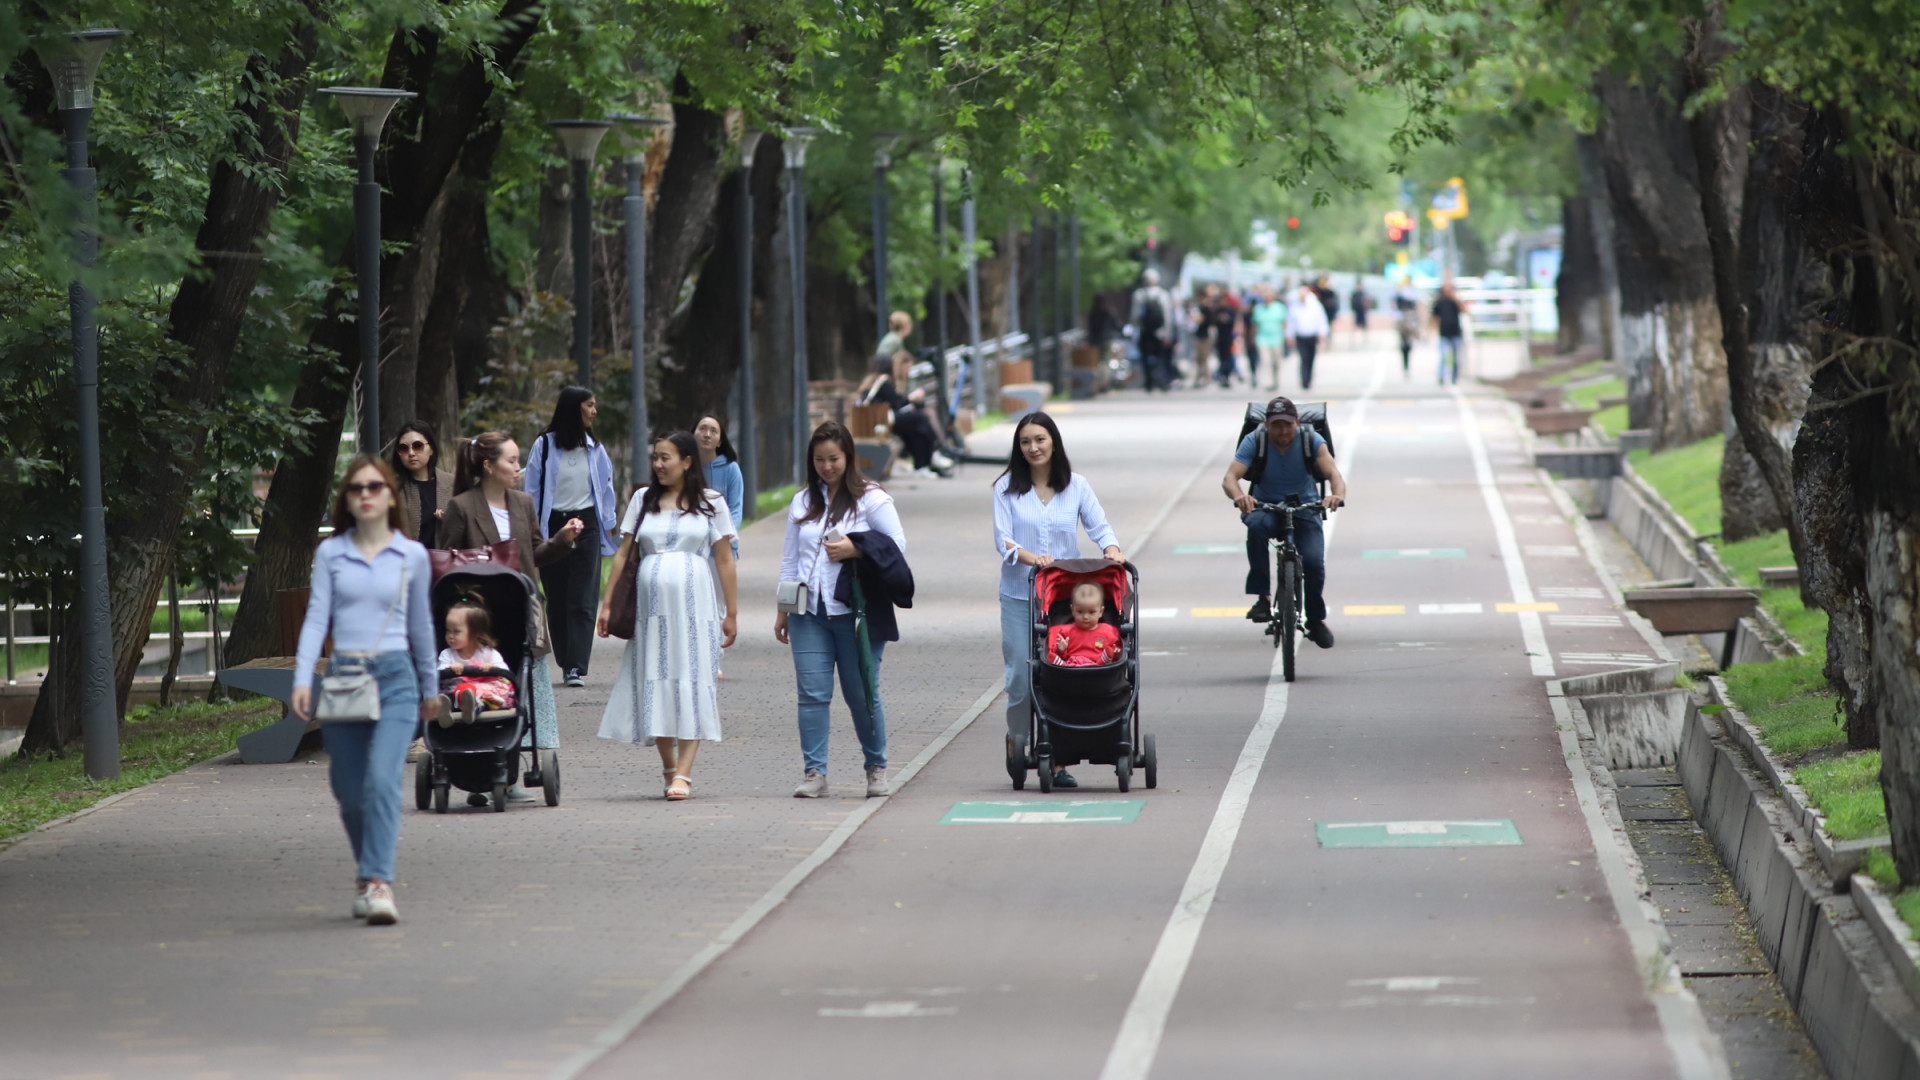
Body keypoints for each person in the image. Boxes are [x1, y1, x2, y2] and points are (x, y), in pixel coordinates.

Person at [289, 454, 436, 927]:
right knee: (349, 791)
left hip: (395, 679)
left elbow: (421, 628)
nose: (367, 495)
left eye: (376, 487)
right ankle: (365, 872)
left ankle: (378, 881)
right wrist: (302, 677)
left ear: (390, 495)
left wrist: (431, 687)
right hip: (345, 678)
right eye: (357, 489)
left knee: (381, 780)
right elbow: (317, 617)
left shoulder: (410, 555)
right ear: (347, 501)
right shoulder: (332, 553)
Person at [439, 431, 583, 804]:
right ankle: (476, 772)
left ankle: (509, 772)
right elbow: (447, 564)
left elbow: (535, 553)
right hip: (479, 619)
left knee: (520, 690)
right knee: (478, 688)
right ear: (488, 466)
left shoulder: (523, 503)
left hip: (520, 612)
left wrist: (563, 539)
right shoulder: (461, 506)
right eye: (511, 461)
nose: (518, 467)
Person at [595, 432, 739, 801]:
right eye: (655, 457)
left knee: (693, 681)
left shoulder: (711, 503)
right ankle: (668, 766)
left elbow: (723, 558)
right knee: (655, 680)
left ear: (688, 461)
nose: (659, 464)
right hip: (651, 616)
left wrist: (732, 613)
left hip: (697, 612)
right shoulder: (644, 499)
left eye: (666, 457)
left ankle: (684, 774)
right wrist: (607, 603)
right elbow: (624, 553)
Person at [992, 411, 1124, 789]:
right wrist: (1035, 559)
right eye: (1025, 442)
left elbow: (1099, 526)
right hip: (1020, 594)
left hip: (1063, 601)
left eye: (1040, 440)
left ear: (1054, 443)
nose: (1033, 448)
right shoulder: (1005, 489)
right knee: (1020, 676)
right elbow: (1003, 541)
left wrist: (1112, 549)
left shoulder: (1076, 486)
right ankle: (1018, 741)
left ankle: (1058, 754)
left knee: (1061, 674)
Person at [776, 421, 906, 799]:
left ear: (848, 457)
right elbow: (790, 560)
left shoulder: (871, 498)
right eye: (819, 459)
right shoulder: (803, 500)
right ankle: (815, 772)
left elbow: (897, 545)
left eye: (834, 458)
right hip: (808, 613)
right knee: (812, 693)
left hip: (857, 615)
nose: (827, 467)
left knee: (862, 692)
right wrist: (783, 609)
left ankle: (876, 767)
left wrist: (857, 549)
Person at [1222, 396, 1348, 649]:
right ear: (1267, 424)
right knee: (1255, 527)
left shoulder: (1311, 440)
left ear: (1297, 423)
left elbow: (1334, 474)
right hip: (1266, 506)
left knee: (1313, 562)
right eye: (1276, 425)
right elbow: (1229, 478)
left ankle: (1315, 619)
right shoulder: (1255, 440)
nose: (1282, 431)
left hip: (1305, 508)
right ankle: (1262, 597)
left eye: (1287, 425)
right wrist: (1240, 496)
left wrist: (1336, 495)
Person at [523, 387, 619, 688]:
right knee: (558, 596)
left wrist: (609, 522)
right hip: (553, 526)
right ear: (573, 409)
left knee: (583, 598)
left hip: (587, 524)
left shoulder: (594, 447)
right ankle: (565, 659)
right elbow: (532, 489)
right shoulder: (545, 446)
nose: (594, 411)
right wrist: (533, 530)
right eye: (589, 406)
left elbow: (605, 487)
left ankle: (576, 666)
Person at [857, 353, 953, 476]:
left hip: (873, 422)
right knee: (921, 419)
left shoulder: (870, 381)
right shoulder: (883, 382)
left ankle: (927, 461)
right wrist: (912, 398)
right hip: (881, 423)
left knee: (916, 426)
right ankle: (927, 460)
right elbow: (896, 403)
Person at [434, 599, 515, 726]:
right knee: (446, 694)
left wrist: (492, 668)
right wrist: (449, 668)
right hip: (456, 692)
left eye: (456, 631)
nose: (450, 636)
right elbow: (440, 673)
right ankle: (446, 710)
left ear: (474, 633)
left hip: (483, 692)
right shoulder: (447, 654)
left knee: (492, 690)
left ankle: (473, 707)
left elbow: (504, 672)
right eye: (448, 631)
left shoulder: (488, 653)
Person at [392, 419, 452, 548]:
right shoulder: (392, 488)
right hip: (406, 564)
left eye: (418, 446)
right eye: (403, 448)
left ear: (431, 449)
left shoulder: (452, 483)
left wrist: (449, 520)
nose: (411, 453)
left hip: (446, 563)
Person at [694, 414, 745, 554]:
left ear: (719, 442)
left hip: (723, 549)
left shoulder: (731, 469)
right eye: (702, 429)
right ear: (693, 435)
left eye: (713, 431)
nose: (707, 435)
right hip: (693, 549)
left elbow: (735, 510)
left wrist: (722, 538)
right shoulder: (685, 468)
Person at [1048, 583, 1120, 667]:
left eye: (1091, 612)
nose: (1085, 617)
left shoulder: (1108, 631)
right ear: (1072, 610)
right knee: (1053, 659)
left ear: (1100, 612)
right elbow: (1062, 655)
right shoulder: (1066, 632)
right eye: (1080, 612)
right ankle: (1060, 664)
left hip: (1098, 666)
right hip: (1072, 666)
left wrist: (1116, 653)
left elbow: (1117, 650)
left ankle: (1105, 660)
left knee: (1108, 658)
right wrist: (1060, 650)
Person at [1129, 268, 1176, 392]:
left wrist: (1135, 331)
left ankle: (1149, 382)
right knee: (1160, 356)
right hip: (1160, 332)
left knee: (1145, 356)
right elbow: (1167, 316)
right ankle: (1161, 380)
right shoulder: (1163, 294)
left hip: (1145, 331)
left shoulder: (1139, 294)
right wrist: (1168, 334)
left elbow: (1135, 316)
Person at [1289, 284, 1330, 389]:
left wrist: (1323, 333)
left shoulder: (1315, 305)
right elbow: (1291, 322)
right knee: (1303, 358)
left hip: (1312, 336)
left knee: (1311, 359)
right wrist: (1290, 335)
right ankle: (1304, 380)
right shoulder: (1295, 306)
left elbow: (1321, 320)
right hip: (1301, 336)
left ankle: (1309, 379)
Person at [1252, 285, 1288, 391]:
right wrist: (1252, 338)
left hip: (1276, 338)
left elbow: (1284, 323)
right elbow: (1254, 324)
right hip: (1262, 338)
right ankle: (1268, 382)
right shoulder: (1258, 309)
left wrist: (1285, 337)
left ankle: (1275, 381)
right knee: (1265, 361)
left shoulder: (1279, 308)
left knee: (1276, 362)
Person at [1432, 282, 1468, 385]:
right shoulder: (1439, 302)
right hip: (1444, 333)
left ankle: (1454, 378)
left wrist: (1456, 298)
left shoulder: (1455, 302)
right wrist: (1433, 331)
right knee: (1443, 356)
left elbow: (1464, 310)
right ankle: (1442, 377)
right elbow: (1435, 318)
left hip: (1455, 333)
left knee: (1456, 359)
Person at [1393, 286, 1421, 378]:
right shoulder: (1400, 314)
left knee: (1408, 350)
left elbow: (1415, 326)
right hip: (1403, 336)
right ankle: (1406, 368)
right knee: (1404, 351)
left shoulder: (1410, 314)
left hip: (1408, 337)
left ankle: (1407, 368)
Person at [1313, 276, 1341, 350]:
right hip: (1321, 314)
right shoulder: (1317, 291)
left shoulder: (1330, 292)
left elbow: (1335, 303)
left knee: (1329, 329)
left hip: (1329, 313)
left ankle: (1328, 343)